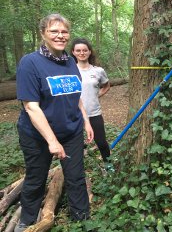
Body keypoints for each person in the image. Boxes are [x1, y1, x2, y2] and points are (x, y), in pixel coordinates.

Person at [15, 14, 93, 232]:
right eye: (54, 31)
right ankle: (27, 221)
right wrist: (51, 140)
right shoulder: (30, 63)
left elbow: (75, 93)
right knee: (36, 178)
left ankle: (82, 221)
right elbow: (31, 106)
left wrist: (86, 121)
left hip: (71, 131)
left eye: (64, 32)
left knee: (76, 177)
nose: (60, 35)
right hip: (37, 135)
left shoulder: (70, 61)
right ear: (43, 34)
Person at [70, 38, 112, 169]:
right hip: (73, 115)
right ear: (73, 52)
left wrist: (96, 95)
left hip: (94, 113)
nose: (81, 53)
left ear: (89, 52)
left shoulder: (98, 71)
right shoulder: (69, 71)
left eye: (84, 50)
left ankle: (109, 167)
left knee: (102, 143)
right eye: (78, 50)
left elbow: (106, 85)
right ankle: (77, 171)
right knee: (75, 146)